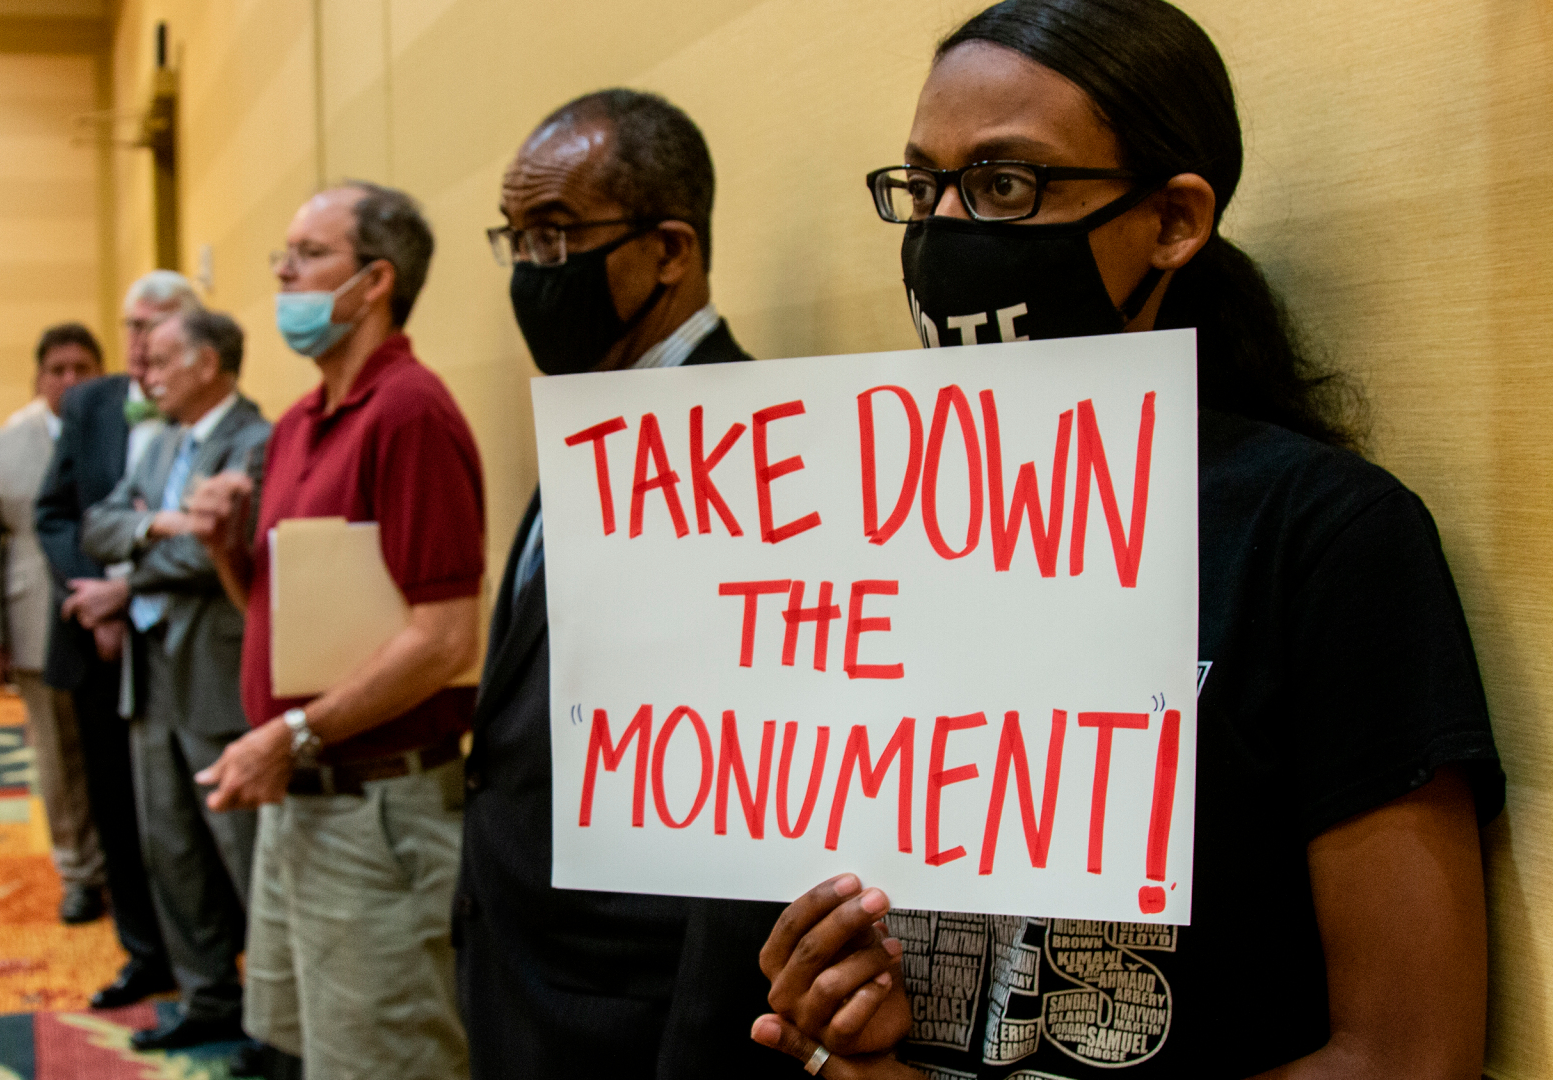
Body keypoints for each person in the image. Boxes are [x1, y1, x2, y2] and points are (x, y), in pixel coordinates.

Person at [750, 3, 1504, 1078]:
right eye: (925, 186)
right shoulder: (862, 533)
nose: (947, 227)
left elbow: (1408, 1055)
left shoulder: (1324, 538)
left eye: (1007, 185)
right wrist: (846, 1039)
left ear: (1173, 221)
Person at [448, 88, 795, 1080]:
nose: (530, 273)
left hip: (629, 1018)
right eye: (515, 240)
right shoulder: (587, 420)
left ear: (671, 250)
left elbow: (749, 816)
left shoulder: (755, 456)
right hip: (518, 969)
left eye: (555, 236)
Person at [185, 181, 480, 1080]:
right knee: (309, 1048)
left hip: (377, 807)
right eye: (285, 253)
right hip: (303, 791)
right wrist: (226, 553)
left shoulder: (411, 412)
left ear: (374, 282)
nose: (283, 271)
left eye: (309, 254)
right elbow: (292, 632)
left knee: (388, 1060)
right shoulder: (297, 424)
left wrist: (294, 734)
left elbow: (445, 639)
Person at [81, 307, 272, 1051]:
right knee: (171, 847)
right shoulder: (160, 447)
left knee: (243, 852)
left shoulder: (257, 442)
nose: (144, 371)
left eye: (160, 358)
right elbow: (101, 524)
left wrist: (131, 569)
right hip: (149, 670)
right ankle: (207, 998)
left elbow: (216, 555)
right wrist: (157, 527)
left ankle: (272, 1016)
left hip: (216, 672)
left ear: (208, 363)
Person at [33, 270, 194, 1015]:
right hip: (96, 642)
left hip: (182, 643)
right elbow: (56, 511)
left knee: (187, 814)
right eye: (130, 325)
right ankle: (143, 952)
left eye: (155, 325)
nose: (138, 342)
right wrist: (93, 600)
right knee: (116, 807)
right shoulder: (93, 401)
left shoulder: (207, 398)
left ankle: (206, 957)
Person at [0, 323, 107, 924]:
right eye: (58, 370)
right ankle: (79, 872)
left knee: (119, 756)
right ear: (38, 379)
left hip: (115, 619)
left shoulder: (129, 436)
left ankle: (132, 865)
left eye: (83, 368)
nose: (71, 381)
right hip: (33, 625)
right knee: (59, 758)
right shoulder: (2, 447)